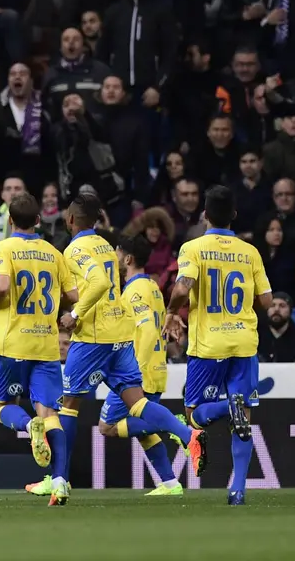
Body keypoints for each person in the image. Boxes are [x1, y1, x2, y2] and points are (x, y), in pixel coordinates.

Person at [55, 195, 205, 505]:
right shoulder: (109, 250)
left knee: (74, 409)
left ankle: (59, 480)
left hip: (100, 340)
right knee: (136, 405)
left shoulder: (78, 251)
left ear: (70, 219)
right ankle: (183, 447)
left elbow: (99, 284)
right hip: (124, 341)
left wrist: (75, 314)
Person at [166, 185, 272, 505]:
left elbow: (183, 288)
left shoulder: (193, 248)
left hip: (209, 345)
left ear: (205, 215)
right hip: (244, 342)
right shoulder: (250, 252)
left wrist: (172, 312)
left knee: (193, 415)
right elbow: (267, 300)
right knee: (244, 421)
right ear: (234, 215)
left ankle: (227, 408)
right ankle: (237, 490)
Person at [0, 193, 76, 504]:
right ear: (38, 220)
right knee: (50, 414)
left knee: (1, 406)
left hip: (11, 342)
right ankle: (60, 481)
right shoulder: (54, 253)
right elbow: (74, 295)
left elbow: (2, 285)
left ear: (10, 220)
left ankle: (26, 425)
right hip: (46, 343)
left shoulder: (2, 248)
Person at [89, 234, 183, 496]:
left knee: (107, 427)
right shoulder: (152, 286)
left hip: (140, 373)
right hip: (155, 368)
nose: (114, 257)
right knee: (141, 431)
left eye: (117, 252)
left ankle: (171, 424)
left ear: (128, 258)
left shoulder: (135, 291)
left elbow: (147, 329)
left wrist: (134, 371)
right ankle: (170, 483)